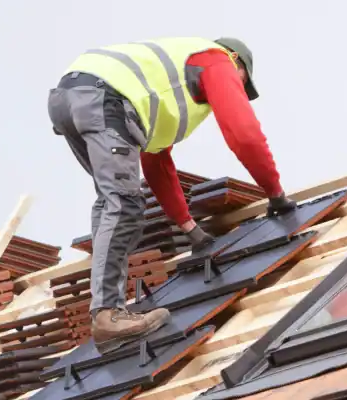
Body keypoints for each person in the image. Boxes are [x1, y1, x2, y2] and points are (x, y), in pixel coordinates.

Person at [47, 37, 298, 354]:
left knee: (112, 201)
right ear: (236, 60)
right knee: (122, 205)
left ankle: (106, 313)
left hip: (71, 98)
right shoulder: (215, 60)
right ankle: (108, 316)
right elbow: (244, 134)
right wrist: (275, 193)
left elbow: (157, 164)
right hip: (103, 97)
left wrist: (190, 229)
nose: (239, 89)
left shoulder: (160, 96)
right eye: (243, 81)